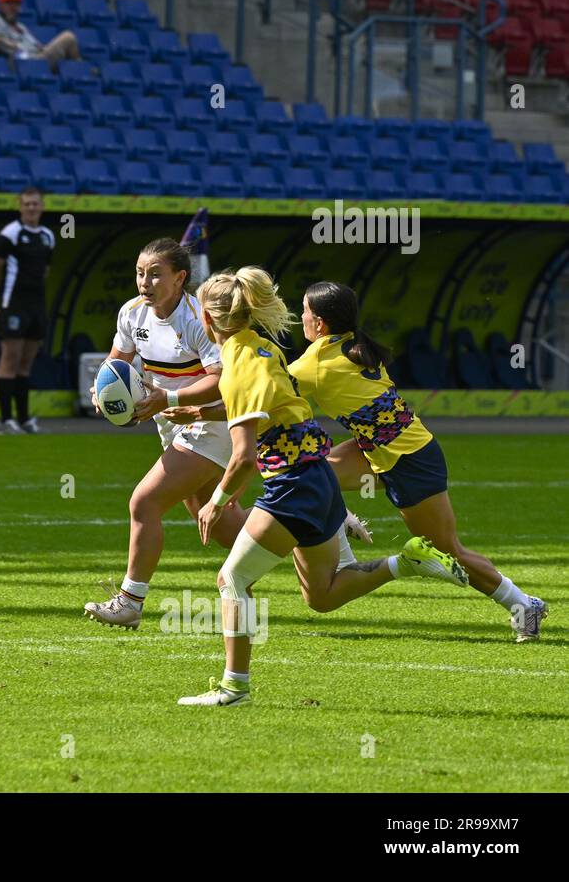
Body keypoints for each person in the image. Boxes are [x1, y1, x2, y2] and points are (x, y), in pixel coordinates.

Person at [168, 280, 549, 642]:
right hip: (377, 448)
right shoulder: (352, 343)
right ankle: (338, 518)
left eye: (303, 311)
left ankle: (524, 604)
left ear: (319, 322)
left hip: (409, 460)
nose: (299, 318)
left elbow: (255, 396)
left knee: (448, 549)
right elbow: (258, 400)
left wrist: (194, 410)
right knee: (315, 470)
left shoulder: (315, 364)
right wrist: (200, 413)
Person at [175, 268, 469, 707]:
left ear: (208, 319)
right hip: (315, 478)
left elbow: (242, 456)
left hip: (294, 484)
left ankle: (235, 688)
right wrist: (203, 415)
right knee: (323, 596)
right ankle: (405, 563)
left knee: (232, 578)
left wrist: (216, 501)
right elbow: (269, 406)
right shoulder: (261, 347)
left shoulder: (238, 365)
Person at [82, 239, 371, 629]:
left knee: (144, 503)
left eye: (155, 274)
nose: (144, 282)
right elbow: (117, 362)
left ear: (180, 278)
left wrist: (165, 396)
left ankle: (130, 601)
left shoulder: (196, 317)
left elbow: (221, 382)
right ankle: (321, 519)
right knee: (223, 528)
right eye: (139, 272)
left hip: (211, 424)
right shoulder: (132, 314)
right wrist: (102, 389)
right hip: (172, 422)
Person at [0, 187, 54, 434]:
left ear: (42, 206)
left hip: (37, 306)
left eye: (36, 204)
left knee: (26, 363)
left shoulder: (47, 236)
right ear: (20, 206)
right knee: (9, 360)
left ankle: (24, 419)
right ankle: (5, 421)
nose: (32, 208)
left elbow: (45, 270)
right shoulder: (10, 234)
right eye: (27, 204)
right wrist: (4, 300)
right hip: (14, 305)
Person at [0, 0, 81, 69]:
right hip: (25, 63)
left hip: (37, 57)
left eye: (16, 4)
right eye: (9, 3)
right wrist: (2, 40)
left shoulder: (20, 26)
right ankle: (81, 68)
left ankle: (79, 69)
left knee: (66, 56)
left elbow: (36, 45)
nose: (13, 7)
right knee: (68, 37)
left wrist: (44, 48)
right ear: (1, 5)